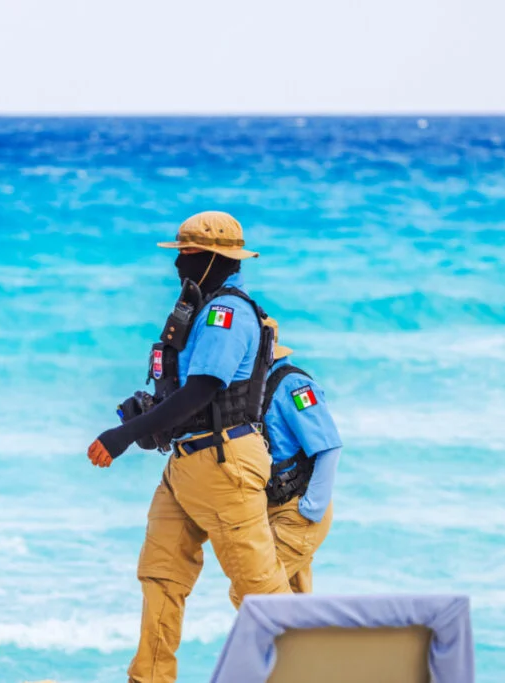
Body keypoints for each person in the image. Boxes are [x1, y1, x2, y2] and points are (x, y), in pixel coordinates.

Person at [86, 210, 291, 683]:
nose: (178, 262)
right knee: (160, 577)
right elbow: (179, 391)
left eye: (186, 253)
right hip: (186, 463)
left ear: (209, 257)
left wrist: (120, 438)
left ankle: (301, 671)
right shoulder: (201, 307)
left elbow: (201, 390)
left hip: (224, 464)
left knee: (260, 591)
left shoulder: (226, 313)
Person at [229, 317, 341, 604]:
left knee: (249, 593)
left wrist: (310, 510)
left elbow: (328, 447)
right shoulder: (253, 387)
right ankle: (310, 650)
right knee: (294, 602)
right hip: (272, 508)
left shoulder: (293, 386)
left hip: (296, 510)